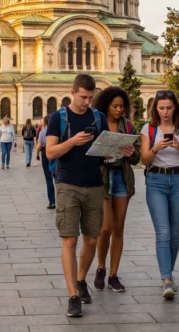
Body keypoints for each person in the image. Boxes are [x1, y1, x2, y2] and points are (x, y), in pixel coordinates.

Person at [46, 74, 112, 318]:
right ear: (72, 92)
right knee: (69, 240)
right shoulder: (58, 117)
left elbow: (106, 151)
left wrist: (120, 150)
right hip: (68, 184)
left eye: (90, 97)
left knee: (92, 240)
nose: (86, 101)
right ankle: (73, 295)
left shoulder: (98, 117)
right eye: (82, 97)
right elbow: (51, 152)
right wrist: (72, 141)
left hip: (95, 184)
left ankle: (81, 278)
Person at [140, 90, 179, 299]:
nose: (165, 112)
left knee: (174, 233)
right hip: (156, 181)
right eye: (161, 108)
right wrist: (155, 148)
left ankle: (169, 275)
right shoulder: (149, 129)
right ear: (155, 108)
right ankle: (166, 279)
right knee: (162, 232)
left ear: (175, 109)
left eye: (169, 108)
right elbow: (144, 160)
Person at [92, 87, 141, 294]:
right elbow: (88, 153)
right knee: (105, 228)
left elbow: (137, 158)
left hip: (121, 177)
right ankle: (101, 267)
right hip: (103, 178)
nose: (119, 109)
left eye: (122, 106)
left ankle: (113, 274)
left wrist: (131, 152)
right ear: (106, 106)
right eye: (115, 106)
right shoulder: (97, 124)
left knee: (118, 228)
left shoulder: (128, 126)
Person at [34, 114, 55, 209]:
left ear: (45, 122)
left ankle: (52, 202)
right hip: (57, 155)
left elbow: (39, 145)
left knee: (48, 179)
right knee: (59, 178)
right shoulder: (58, 130)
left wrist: (36, 154)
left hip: (46, 155)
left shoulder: (43, 131)